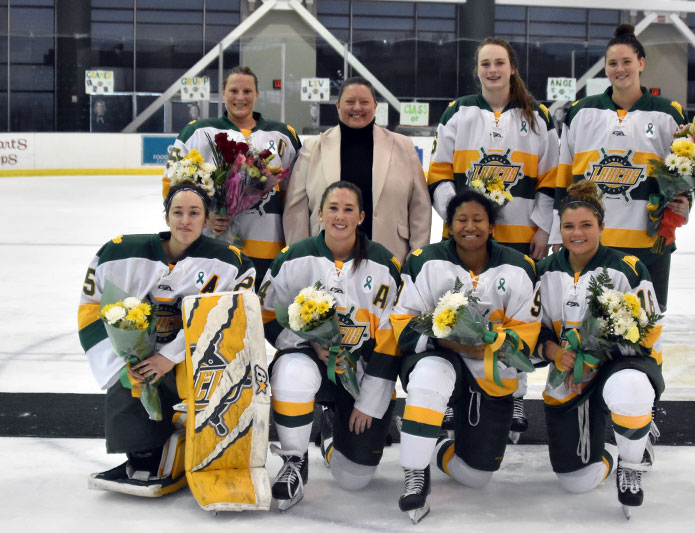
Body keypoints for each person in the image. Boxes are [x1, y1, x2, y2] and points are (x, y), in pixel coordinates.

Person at [78, 181, 256, 496]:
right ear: (166, 216)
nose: (185, 220)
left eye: (194, 213)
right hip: (145, 357)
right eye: (178, 212)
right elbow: (93, 309)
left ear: (206, 219)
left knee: (197, 377)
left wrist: (169, 356)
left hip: (197, 358)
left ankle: (204, 442)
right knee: (133, 377)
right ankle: (143, 451)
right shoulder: (121, 254)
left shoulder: (231, 264)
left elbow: (230, 320)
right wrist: (125, 362)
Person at [427, 37, 559, 435]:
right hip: (466, 237)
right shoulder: (459, 111)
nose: (492, 70)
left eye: (499, 62)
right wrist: (456, 218)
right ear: (477, 69)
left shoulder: (538, 115)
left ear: (512, 67)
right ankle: (453, 395)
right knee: (459, 309)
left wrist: (541, 226)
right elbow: (439, 174)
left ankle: (516, 394)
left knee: (514, 319)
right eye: (485, 63)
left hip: (520, 238)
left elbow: (551, 177)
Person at [390, 190, 543, 523]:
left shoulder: (518, 267)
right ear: (448, 226)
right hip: (441, 357)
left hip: (490, 373)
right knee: (430, 376)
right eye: (461, 219)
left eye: (478, 220)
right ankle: (415, 472)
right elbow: (402, 326)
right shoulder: (424, 260)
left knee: (477, 475)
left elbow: (528, 334)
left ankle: (438, 446)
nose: (469, 227)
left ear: (492, 228)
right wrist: (454, 343)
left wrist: (489, 341)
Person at [261, 181, 402, 511]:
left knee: (354, 478)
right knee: (291, 371)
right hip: (310, 361)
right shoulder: (292, 258)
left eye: (349, 209)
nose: (340, 216)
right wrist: (307, 342)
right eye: (333, 208)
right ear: (320, 214)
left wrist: (369, 402)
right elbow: (266, 315)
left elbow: (391, 339)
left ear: (361, 217)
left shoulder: (385, 265)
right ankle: (294, 462)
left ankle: (328, 435)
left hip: (361, 373)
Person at [536, 180, 664, 515]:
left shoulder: (629, 268)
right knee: (575, 481)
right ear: (559, 229)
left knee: (631, 388)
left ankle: (631, 459)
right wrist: (555, 354)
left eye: (586, 226)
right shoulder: (543, 272)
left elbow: (648, 331)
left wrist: (595, 360)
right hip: (567, 373)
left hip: (620, 365)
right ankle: (610, 446)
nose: (577, 234)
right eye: (568, 226)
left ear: (602, 227)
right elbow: (532, 330)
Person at [554, 24, 688, 313]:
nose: (620, 69)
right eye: (612, 63)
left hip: (649, 245)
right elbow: (563, 174)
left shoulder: (668, 114)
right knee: (587, 324)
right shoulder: (581, 112)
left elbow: (686, 172)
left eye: (627, 61)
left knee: (642, 329)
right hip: (590, 244)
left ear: (641, 63)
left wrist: (684, 203)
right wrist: (557, 233)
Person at [164, 66, 301, 286]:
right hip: (210, 242)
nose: (240, 97)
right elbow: (172, 188)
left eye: (247, 91)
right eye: (233, 90)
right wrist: (205, 217)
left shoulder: (284, 135)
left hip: (268, 244)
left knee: (260, 313)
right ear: (223, 93)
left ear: (257, 94)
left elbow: (294, 197)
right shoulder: (197, 132)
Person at [283, 76, 431, 264]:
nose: (357, 108)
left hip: (391, 255)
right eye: (350, 102)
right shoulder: (313, 148)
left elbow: (421, 207)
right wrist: (299, 258)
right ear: (338, 106)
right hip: (323, 261)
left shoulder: (403, 146)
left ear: (375, 106)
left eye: (364, 102)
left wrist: (417, 258)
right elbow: (295, 210)